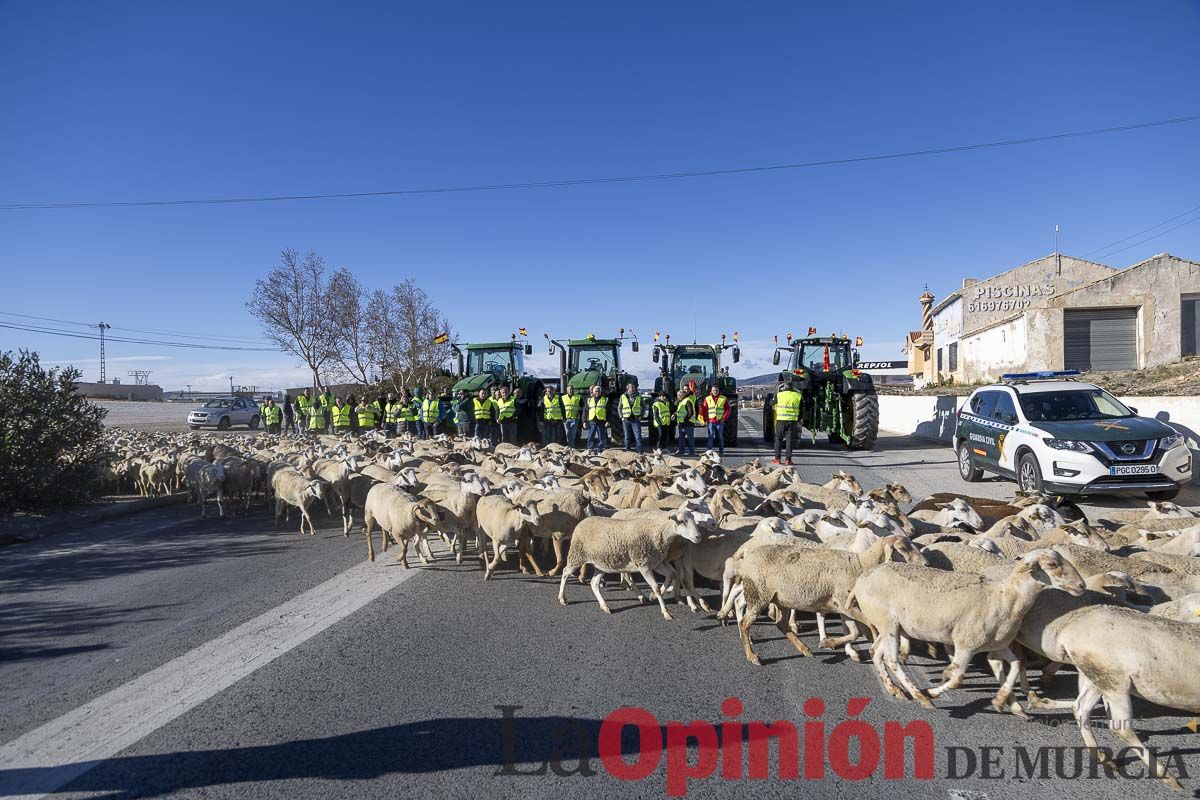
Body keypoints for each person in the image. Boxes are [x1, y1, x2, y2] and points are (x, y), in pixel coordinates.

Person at [772, 381, 803, 465]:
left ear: (784, 387)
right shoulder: (798, 396)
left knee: (778, 439)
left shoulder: (779, 395)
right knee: (790, 440)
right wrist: (798, 419)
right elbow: (801, 410)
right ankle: (788, 460)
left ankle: (777, 459)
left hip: (781, 420)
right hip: (792, 421)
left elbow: (771, 403)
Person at [699, 385, 731, 456]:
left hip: (719, 421)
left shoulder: (723, 398)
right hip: (710, 421)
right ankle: (709, 451)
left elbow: (728, 409)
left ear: (718, 390)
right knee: (710, 436)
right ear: (711, 391)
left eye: (716, 390)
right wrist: (705, 420)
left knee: (720, 436)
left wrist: (724, 418)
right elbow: (704, 410)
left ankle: (721, 451)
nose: (715, 392)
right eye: (714, 390)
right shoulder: (707, 399)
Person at [618, 383, 643, 454]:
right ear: (628, 388)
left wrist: (641, 415)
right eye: (632, 387)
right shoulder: (623, 396)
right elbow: (619, 407)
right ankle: (627, 450)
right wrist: (621, 416)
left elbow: (643, 406)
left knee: (638, 435)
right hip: (626, 419)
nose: (633, 388)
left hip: (635, 418)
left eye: (634, 387)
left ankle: (639, 450)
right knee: (627, 436)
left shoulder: (638, 396)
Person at [585, 385, 608, 454]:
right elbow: (585, 411)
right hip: (592, 421)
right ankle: (589, 449)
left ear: (600, 392)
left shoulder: (605, 400)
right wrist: (584, 421)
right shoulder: (589, 400)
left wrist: (608, 421)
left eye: (598, 391)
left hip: (601, 421)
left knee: (601, 437)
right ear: (593, 392)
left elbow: (608, 411)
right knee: (590, 436)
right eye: (595, 391)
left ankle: (600, 450)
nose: (597, 393)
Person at [674, 388, 696, 457]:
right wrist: (674, 415)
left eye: (680, 395)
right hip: (681, 424)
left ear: (683, 395)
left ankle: (692, 452)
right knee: (681, 439)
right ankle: (681, 451)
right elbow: (678, 411)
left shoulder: (687, 401)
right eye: (678, 395)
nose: (678, 396)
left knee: (690, 439)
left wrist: (685, 420)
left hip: (688, 423)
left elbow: (690, 413)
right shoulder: (681, 402)